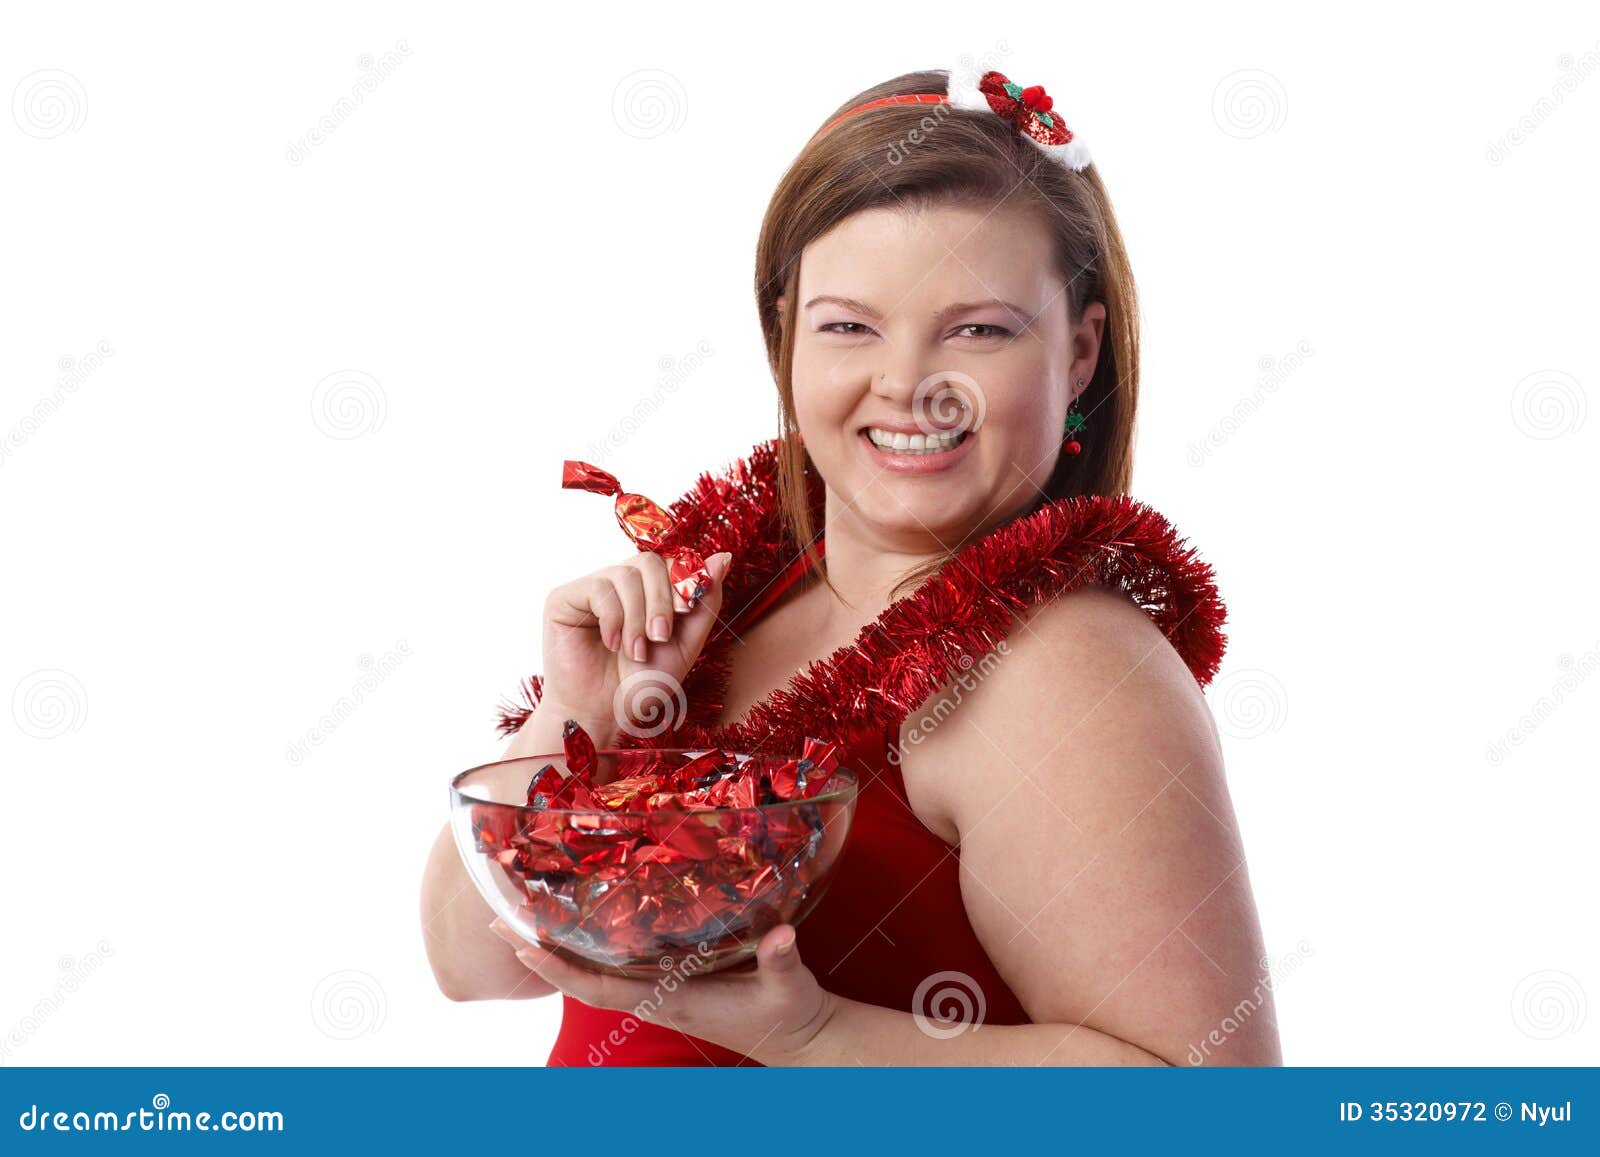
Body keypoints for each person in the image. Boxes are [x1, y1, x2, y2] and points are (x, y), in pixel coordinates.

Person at [421, 62, 1281, 1067]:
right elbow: (470, 962)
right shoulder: (738, 599)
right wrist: (580, 715)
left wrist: (817, 1035)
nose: (909, 384)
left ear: (1081, 352)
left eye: (978, 329)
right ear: (785, 333)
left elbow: (1211, 1100)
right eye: (848, 325)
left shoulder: (1069, 667)